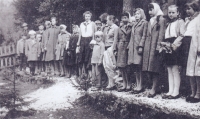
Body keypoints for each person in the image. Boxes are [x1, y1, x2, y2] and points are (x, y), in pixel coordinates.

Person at [159, 5, 185, 99]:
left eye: (173, 12)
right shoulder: (168, 23)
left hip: (175, 47)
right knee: (169, 69)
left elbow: (182, 35)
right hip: (167, 46)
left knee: (175, 69)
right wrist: (164, 44)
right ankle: (170, 90)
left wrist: (173, 45)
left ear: (178, 13)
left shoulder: (180, 22)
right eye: (169, 12)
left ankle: (176, 91)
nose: (171, 14)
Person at [142, 3, 166, 98]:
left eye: (151, 9)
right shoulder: (150, 21)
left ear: (156, 9)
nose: (149, 12)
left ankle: (154, 88)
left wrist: (158, 47)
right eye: (149, 10)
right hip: (148, 47)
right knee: (148, 68)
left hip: (155, 47)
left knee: (155, 68)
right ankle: (155, 86)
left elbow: (161, 34)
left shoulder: (161, 19)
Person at [127, 8, 148, 94]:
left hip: (139, 47)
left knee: (139, 66)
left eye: (138, 14)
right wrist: (129, 46)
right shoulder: (134, 24)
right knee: (135, 66)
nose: (136, 15)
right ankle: (137, 84)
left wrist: (141, 46)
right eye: (135, 14)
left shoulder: (144, 23)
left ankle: (141, 85)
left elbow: (144, 35)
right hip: (133, 47)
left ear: (142, 14)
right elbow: (132, 37)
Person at [184, 0, 200, 103]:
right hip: (188, 45)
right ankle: (192, 92)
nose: (187, 11)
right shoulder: (188, 20)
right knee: (190, 70)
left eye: (189, 9)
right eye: (186, 9)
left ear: (196, 9)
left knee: (197, 71)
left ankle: (198, 93)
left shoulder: (199, 19)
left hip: (196, 45)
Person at [114, 12, 132, 92]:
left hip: (128, 47)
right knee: (122, 67)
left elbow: (132, 37)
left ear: (128, 18)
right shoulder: (119, 28)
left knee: (128, 67)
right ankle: (124, 84)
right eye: (123, 18)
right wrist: (116, 49)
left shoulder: (131, 27)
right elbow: (117, 39)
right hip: (121, 48)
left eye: (125, 17)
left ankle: (129, 84)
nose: (124, 19)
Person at [77, 11, 96, 79]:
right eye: (86, 16)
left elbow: (94, 33)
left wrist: (93, 42)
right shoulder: (82, 24)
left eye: (88, 16)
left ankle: (89, 75)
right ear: (84, 17)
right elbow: (80, 34)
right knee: (82, 56)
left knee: (88, 57)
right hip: (83, 40)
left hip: (89, 40)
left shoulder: (92, 23)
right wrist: (78, 43)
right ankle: (83, 74)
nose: (87, 18)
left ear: (90, 17)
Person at [103, 15, 119, 91]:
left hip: (111, 48)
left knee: (111, 66)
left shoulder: (115, 28)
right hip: (106, 47)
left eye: (107, 20)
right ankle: (110, 83)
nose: (106, 21)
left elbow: (115, 39)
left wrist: (113, 49)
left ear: (111, 20)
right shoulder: (107, 28)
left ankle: (113, 84)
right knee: (106, 66)